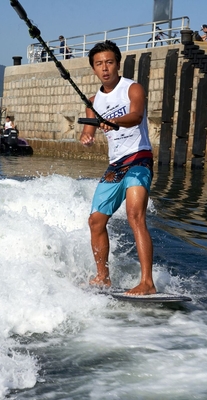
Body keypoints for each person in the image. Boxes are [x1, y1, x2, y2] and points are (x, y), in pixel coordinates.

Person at [79, 40, 155, 296]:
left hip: (139, 158)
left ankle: (147, 282)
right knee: (95, 221)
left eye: (109, 62)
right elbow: (87, 130)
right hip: (115, 165)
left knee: (135, 215)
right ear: (93, 69)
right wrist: (87, 138)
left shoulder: (132, 88)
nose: (105, 68)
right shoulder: (93, 101)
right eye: (99, 64)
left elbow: (136, 116)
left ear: (117, 64)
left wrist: (114, 121)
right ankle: (103, 277)